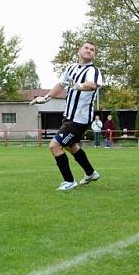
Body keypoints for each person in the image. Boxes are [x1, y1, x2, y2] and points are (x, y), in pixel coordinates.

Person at [30, 41, 102, 191]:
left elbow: (92, 85)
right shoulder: (71, 68)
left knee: (55, 146)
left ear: (94, 54)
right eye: (86, 48)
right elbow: (61, 85)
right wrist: (46, 97)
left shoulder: (93, 70)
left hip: (80, 119)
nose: (89, 51)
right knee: (71, 146)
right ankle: (90, 173)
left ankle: (69, 181)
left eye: (92, 50)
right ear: (79, 50)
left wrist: (79, 86)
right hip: (69, 116)